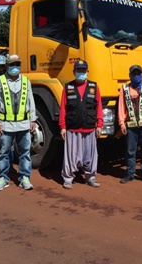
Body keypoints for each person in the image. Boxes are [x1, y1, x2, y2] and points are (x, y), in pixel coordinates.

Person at [0, 54, 37, 191]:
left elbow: (31, 100)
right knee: (4, 152)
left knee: (25, 152)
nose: (15, 67)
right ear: (7, 66)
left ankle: (24, 177)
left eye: (17, 65)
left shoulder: (26, 81)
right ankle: (2, 178)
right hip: (6, 124)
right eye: (12, 65)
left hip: (23, 123)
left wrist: (33, 119)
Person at [59, 60, 103, 189]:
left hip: (89, 128)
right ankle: (68, 178)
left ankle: (91, 177)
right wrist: (62, 126)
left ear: (87, 72)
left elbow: (99, 107)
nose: (81, 73)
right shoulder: (67, 88)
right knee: (71, 156)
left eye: (83, 70)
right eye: (78, 70)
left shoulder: (94, 87)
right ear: (74, 72)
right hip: (72, 128)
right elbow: (63, 109)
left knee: (90, 155)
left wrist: (99, 124)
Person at [117, 64, 142, 184]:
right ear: (130, 75)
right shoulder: (124, 89)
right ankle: (130, 173)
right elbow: (121, 107)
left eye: (138, 74)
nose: (136, 76)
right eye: (133, 74)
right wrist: (122, 124)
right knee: (131, 151)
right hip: (130, 126)